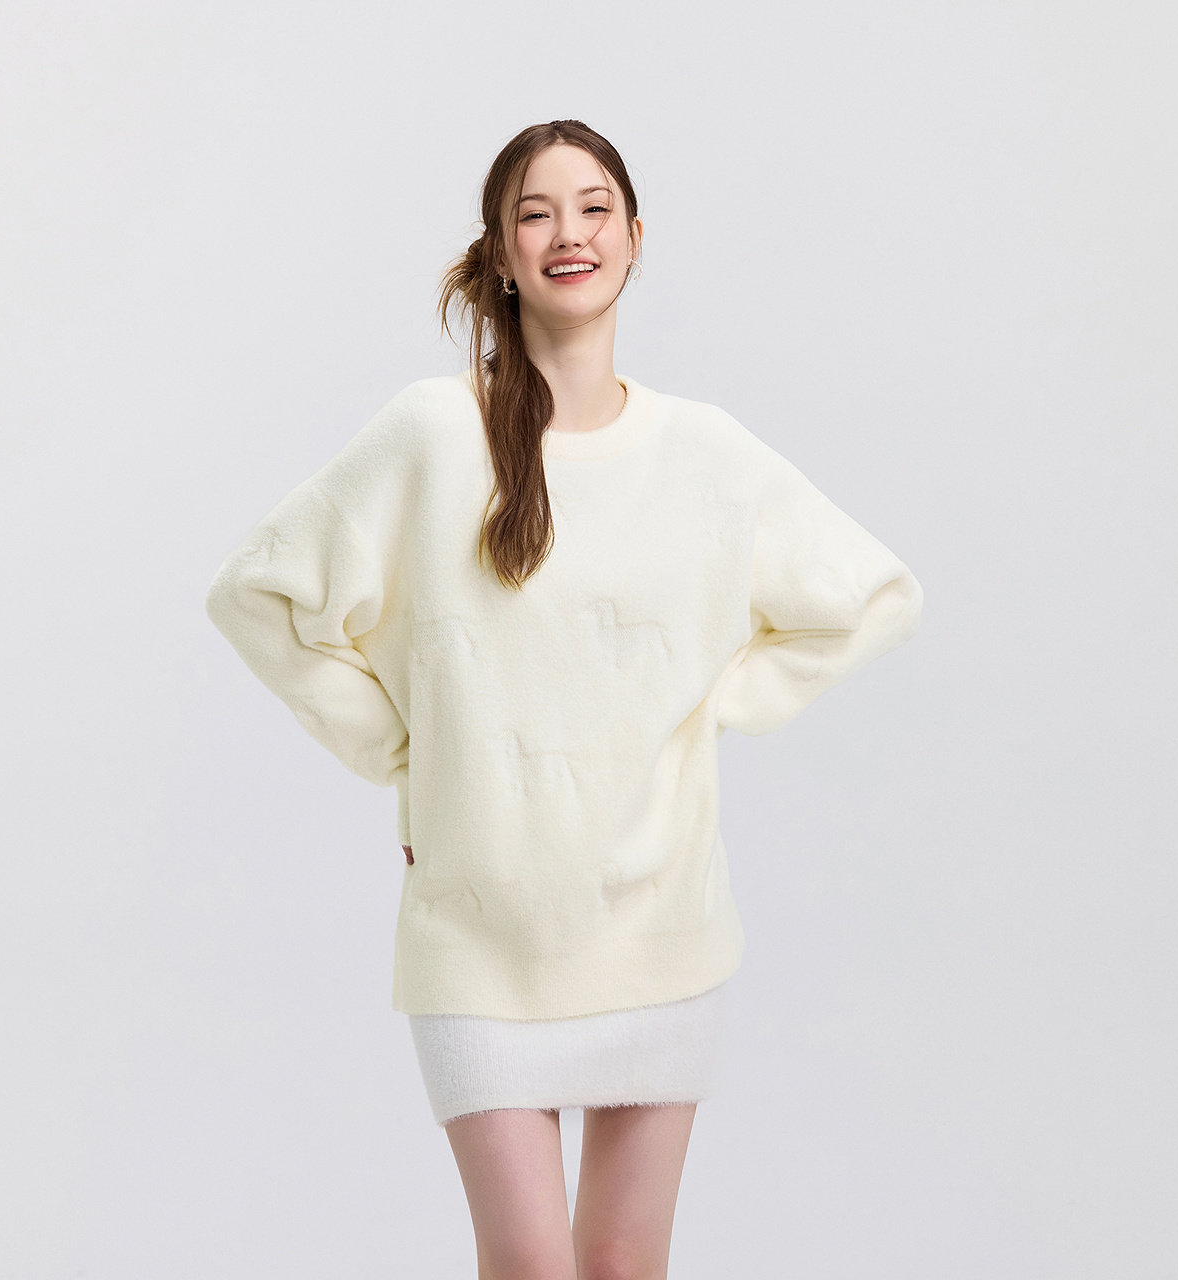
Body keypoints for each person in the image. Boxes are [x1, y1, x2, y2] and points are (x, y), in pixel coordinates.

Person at [205, 119, 923, 1280]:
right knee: (530, 1264)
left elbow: (871, 593)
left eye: (592, 208)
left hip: (658, 929)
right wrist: (404, 753)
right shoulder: (432, 433)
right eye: (534, 213)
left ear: (634, 236)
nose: (567, 234)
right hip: (477, 938)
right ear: (499, 250)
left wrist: (716, 701)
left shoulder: (703, 452)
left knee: (625, 1263)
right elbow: (258, 594)